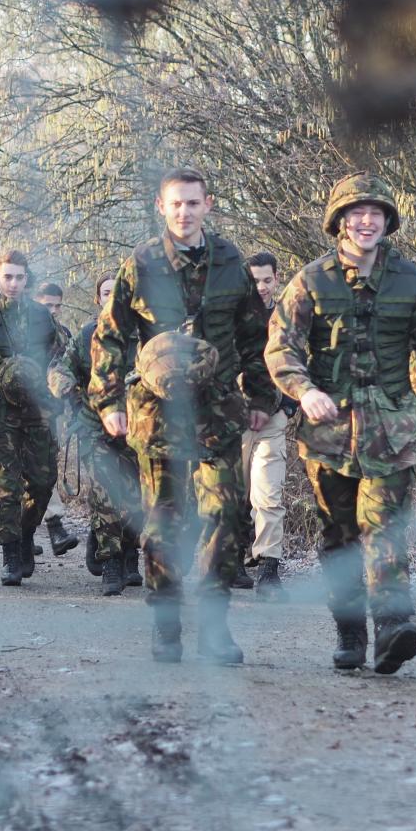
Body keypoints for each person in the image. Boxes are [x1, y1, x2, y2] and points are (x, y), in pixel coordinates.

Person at [266, 173, 416, 675]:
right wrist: (304, 391)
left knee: (386, 529)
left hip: (391, 431)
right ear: (340, 222)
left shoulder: (410, 280)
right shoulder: (312, 280)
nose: (366, 221)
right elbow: (281, 346)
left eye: (375, 214)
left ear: (387, 222)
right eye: (356, 213)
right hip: (327, 435)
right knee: (340, 535)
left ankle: (393, 627)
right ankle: (350, 632)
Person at [90, 167, 277, 664]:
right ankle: (166, 624)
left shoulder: (230, 260)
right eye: (176, 204)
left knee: (225, 513)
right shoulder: (143, 263)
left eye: (193, 203)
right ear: (161, 206)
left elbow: (255, 336)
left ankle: (216, 628)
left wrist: (261, 399)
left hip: (217, 409)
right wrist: (109, 402)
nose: (184, 212)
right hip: (157, 413)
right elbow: (110, 336)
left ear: (207, 205)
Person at [0, 251, 71, 586]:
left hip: (38, 412)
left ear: (27, 279)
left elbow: (59, 356)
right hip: (1, 414)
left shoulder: (41, 316)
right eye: (8, 277)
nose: (14, 283)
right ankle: (10, 554)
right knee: (6, 488)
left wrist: (55, 390)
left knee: (42, 481)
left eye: (19, 277)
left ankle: (25, 534)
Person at [49, 272, 145, 595]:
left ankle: (131, 555)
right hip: (95, 427)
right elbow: (60, 370)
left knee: (135, 496)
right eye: (106, 293)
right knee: (106, 492)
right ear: (98, 298)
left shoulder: (142, 335)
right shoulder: (88, 334)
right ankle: (111, 561)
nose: (111, 298)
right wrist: (72, 395)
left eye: (116, 293)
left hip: (136, 430)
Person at [241, 252, 298, 600]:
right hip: (234, 417)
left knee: (268, 493)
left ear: (277, 279)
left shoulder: (287, 317)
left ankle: (269, 568)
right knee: (231, 494)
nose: (261, 287)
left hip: (273, 419)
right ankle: (231, 559)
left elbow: (300, 360)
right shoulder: (231, 317)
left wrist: (290, 406)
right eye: (254, 281)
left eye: (267, 280)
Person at [33, 280, 79, 557]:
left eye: (57, 305)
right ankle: (32, 531)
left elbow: (73, 373)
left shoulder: (64, 335)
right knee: (23, 478)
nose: (53, 310)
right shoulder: (22, 332)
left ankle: (52, 525)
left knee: (46, 470)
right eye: (47, 305)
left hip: (50, 414)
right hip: (19, 414)